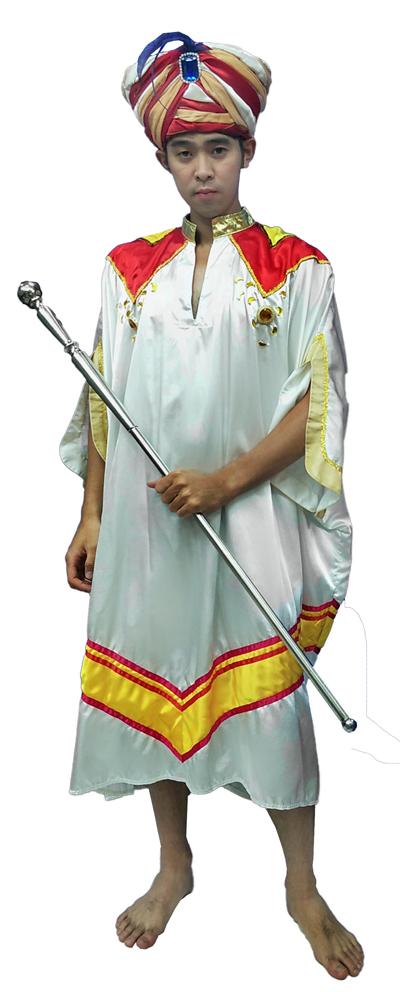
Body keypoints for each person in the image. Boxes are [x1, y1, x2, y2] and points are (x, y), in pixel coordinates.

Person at [60, 33, 364, 979]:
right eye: (184, 151)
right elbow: (103, 399)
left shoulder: (298, 268)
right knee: (160, 682)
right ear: (162, 158)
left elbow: (319, 402)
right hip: (151, 530)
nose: (202, 168)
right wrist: (94, 514)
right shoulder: (126, 270)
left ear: (247, 151)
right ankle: (174, 864)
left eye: (218, 149)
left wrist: (229, 481)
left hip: (248, 522)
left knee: (271, 705)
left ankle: (301, 884)